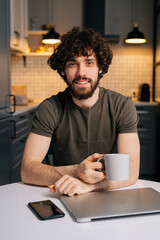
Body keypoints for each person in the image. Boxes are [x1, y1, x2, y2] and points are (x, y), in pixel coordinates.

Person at [21, 27, 140, 197]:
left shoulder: (122, 106)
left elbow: (132, 170)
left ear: (100, 67)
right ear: (63, 70)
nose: (81, 72)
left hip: (108, 193)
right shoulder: (50, 108)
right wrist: (77, 171)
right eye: (72, 64)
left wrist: (89, 186)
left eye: (89, 62)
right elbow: (27, 170)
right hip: (63, 194)